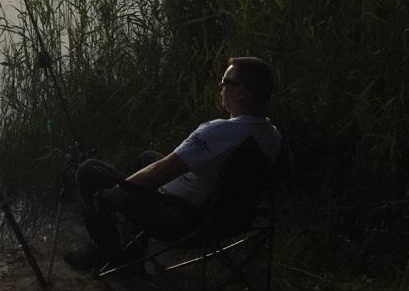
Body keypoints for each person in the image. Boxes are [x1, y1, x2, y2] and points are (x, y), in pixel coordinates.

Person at [63, 56, 283, 272]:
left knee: (89, 170)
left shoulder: (219, 132)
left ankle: (108, 254)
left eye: (225, 82)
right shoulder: (271, 135)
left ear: (241, 93)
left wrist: (116, 193)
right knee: (146, 157)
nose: (220, 87)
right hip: (228, 221)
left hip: (180, 220)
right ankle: (133, 254)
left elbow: (159, 173)